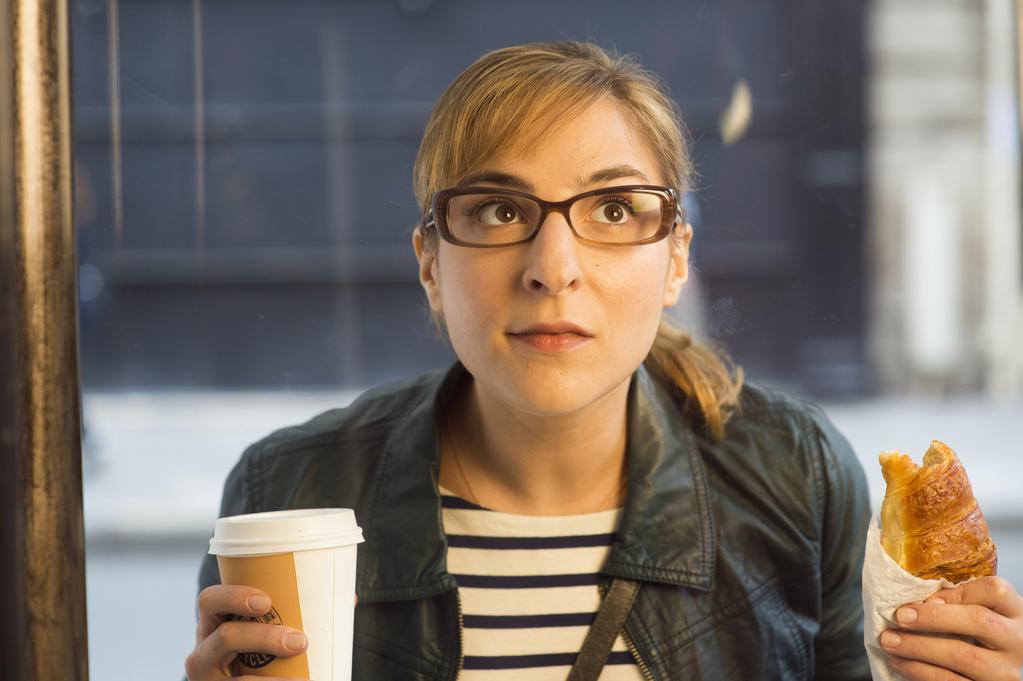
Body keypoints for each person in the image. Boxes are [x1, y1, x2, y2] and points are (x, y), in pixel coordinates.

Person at [185, 41, 1023, 681]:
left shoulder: (794, 477)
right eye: (498, 208)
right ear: (429, 263)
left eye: (614, 208)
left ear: (676, 260)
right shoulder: (288, 492)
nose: (553, 265)